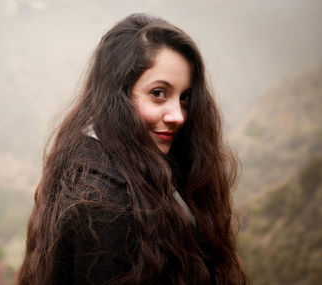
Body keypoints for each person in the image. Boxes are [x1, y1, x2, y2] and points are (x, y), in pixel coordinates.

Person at [18, 13, 247, 285]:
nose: (179, 116)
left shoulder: (116, 165)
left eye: (184, 98)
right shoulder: (102, 202)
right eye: (158, 93)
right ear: (119, 95)